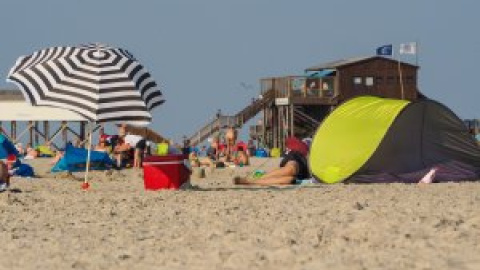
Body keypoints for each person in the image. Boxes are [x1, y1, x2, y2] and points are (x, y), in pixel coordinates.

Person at [234, 137, 310, 186]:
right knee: (291, 169)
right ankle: (255, 179)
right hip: (297, 157)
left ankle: (251, 182)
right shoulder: (306, 143)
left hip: (303, 171)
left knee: (289, 180)